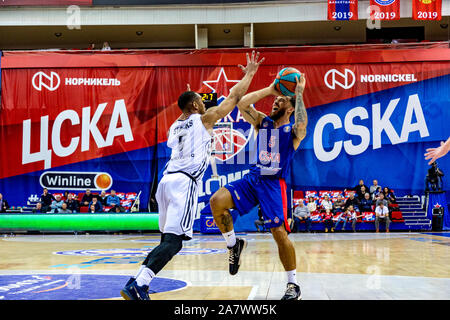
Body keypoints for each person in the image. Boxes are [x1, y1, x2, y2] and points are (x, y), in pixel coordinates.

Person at [120, 51, 263, 300]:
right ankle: (139, 285)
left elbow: (184, 110)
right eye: (200, 100)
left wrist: (190, 97)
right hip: (183, 184)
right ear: (197, 106)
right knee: (174, 242)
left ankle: (138, 281)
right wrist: (250, 73)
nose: (205, 103)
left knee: (167, 239)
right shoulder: (205, 119)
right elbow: (234, 97)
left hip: (165, 183)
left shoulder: (175, 125)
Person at [209, 65, 308, 300]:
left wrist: (299, 93)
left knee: (278, 232)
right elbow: (242, 103)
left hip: (274, 183)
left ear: (291, 108)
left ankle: (293, 285)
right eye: (276, 100)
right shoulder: (262, 123)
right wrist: (272, 89)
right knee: (216, 201)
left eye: (281, 101)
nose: (276, 103)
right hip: (253, 178)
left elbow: (302, 123)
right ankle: (234, 244)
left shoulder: (293, 131)